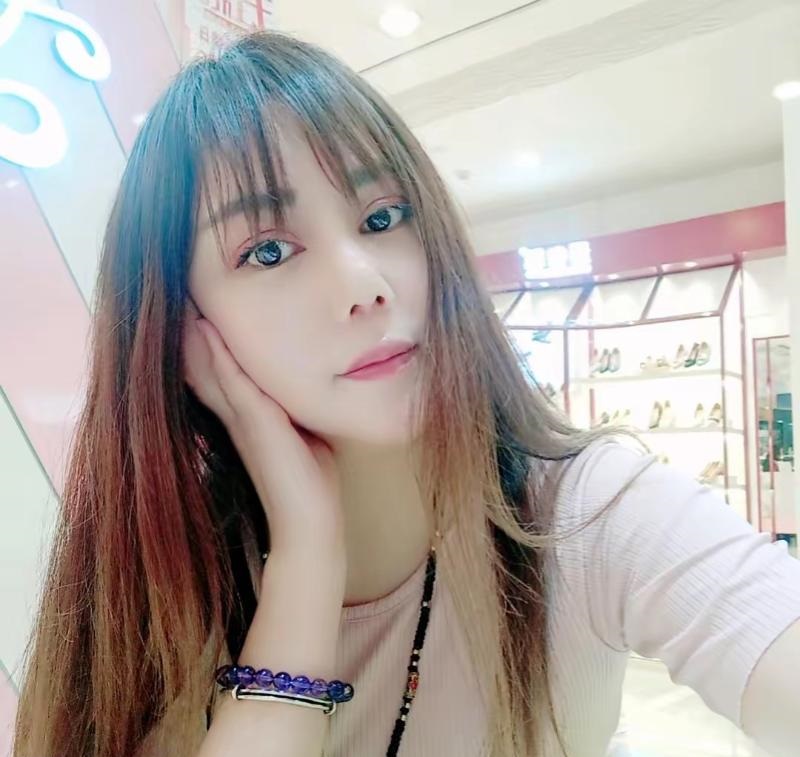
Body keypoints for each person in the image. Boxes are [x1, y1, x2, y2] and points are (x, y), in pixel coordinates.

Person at [11, 30, 800, 757]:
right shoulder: (161, 581)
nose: (365, 284)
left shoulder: (584, 513)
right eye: (269, 251)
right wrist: (306, 557)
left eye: (384, 216)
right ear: (180, 326)